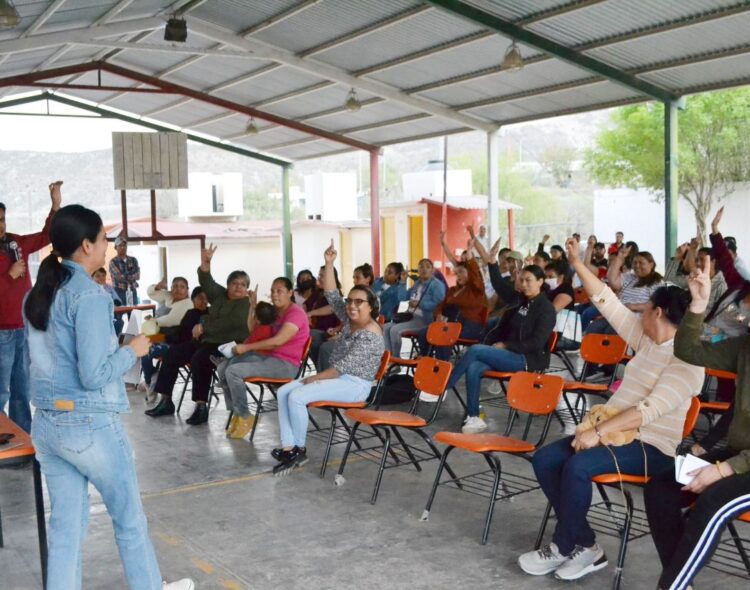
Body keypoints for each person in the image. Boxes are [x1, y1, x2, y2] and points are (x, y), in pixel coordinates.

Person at [24, 204, 192, 590]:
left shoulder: (41, 293)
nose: (106, 247)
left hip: (48, 424)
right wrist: (132, 350)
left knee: (65, 530)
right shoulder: (90, 295)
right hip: (88, 424)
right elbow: (94, 373)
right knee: (130, 522)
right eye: (102, 240)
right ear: (85, 245)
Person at [518, 238, 704, 583]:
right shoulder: (648, 339)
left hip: (650, 447)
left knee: (577, 466)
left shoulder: (688, 361)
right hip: (614, 433)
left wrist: (597, 433)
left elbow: (649, 410)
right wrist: (576, 262)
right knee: (546, 459)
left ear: (658, 313)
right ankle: (587, 545)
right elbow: (607, 301)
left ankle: (563, 545)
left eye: (645, 308)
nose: (639, 313)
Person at [642, 256, 750, 590]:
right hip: (738, 454)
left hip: (741, 463)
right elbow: (689, 350)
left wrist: (722, 470)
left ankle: (671, 585)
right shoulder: (746, 345)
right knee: (661, 488)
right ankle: (680, 581)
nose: (743, 310)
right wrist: (699, 304)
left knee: (713, 502)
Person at [271, 240, 385, 475]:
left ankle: (299, 450)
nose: (352, 306)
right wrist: (329, 263)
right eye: (350, 301)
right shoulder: (351, 319)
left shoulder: (371, 335)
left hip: (355, 386)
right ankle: (288, 447)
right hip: (339, 380)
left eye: (359, 302)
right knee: (283, 392)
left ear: (371, 307)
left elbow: (343, 367)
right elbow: (333, 295)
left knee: (297, 396)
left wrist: (316, 378)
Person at [453, 237, 556, 434]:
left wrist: (506, 346)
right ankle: (473, 417)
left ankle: (445, 386)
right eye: (522, 280)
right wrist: (492, 263)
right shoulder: (521, 301)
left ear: (541, 282)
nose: (524, 284)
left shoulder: (545, 309)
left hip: (527, 360)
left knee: (475, 349)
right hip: (511, 355)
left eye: (529, 281)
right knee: (474, 367)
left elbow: (535, 343)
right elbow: (499, 284)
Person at [146, 244, 250, 425]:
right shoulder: (221, 295)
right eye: (234, 283)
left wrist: (203, 326)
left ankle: (201, 406)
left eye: (243, 284)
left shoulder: (245, 304)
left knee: (200, 359)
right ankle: (166, 400)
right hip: (207, 340)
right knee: (172, 353)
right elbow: (207, 282)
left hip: (229, 345)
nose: (238, 287)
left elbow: (230, 323)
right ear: (228, 286)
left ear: (247, 288)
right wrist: (205, 265)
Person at [0, 180, 61, 433]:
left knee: (21, 386)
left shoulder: (16, 244)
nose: (1, 225)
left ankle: (22, 433)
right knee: (1, 388)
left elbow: (45, 236)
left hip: (22, 328)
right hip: (1, 331)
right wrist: (7, 276)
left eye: (2, 219)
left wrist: (55, 205)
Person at [220, 276, 310, 439]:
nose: (275, 294)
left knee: (233, 371)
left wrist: (246, 347)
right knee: (223, 368)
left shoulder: (295, 314)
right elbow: (252, 329)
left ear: (290, 293)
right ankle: (237, 412)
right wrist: (252, 306)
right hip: (268, 358)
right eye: (272, 290)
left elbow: (278, 341)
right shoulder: (276, 311)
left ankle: (245, 416)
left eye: (279, 291)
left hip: (285, 365)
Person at [418, 227, 487, 360]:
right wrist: (438, 314)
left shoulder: (476, 288)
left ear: (469, 275)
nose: (458, 274)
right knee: (423, 333)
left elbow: (474, 271)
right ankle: (426, 360)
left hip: (471, 326)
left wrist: (471, 251)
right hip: (449, 324)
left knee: (444, 336)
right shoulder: (453, 290)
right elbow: (440, 305)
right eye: (457, 272)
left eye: (462, 272)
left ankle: (441, 367)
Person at [140, 286, 207, 399]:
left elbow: (174, 326)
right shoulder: (170, 302)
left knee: (167, 354)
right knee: (145, 347)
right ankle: (151, 379)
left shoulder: (191, 309)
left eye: (181, 287)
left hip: (185, 345)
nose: (178, 290)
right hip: (171, 338)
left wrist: (155, 324)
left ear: (187, 292)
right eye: (175, 286)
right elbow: (179, 331)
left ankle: (159, 391)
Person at [583, 246, 664, 334]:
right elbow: (612, 280)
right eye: (635, 263)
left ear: (651, 264)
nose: (637, 266)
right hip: (616, 316)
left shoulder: (657, 282)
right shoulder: (630, 276)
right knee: (592, 329)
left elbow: (657, 305)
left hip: (635, 321)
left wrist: (633, 306)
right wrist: (619, 257)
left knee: (609, 332)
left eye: (641, 263)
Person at [382, 258, 446, 359]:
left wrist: (420, 304)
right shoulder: (417, 283)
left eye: (427, 267)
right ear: (418, 270)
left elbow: (440, 305)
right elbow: (402, 298)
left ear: (432, 270)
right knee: (385, 328)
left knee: (394, 330)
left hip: (426, 321)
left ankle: (396, 360)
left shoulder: (437, 285)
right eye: (421, 267)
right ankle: (388, 359)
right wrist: (403, 282)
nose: (424, 269)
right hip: (411, 317)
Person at [109, 235, 140, 306]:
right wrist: (131, 276)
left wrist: (123, 275)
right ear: (115, 248)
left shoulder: (133, 260)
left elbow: (137, 276)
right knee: (118, 314)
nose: (123, 247)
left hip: (132, 290)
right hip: (119, 291)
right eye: (120, 246)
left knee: (134, 313)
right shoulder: (113, 262)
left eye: (124, 245)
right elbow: (118, 277)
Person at [92, 266, 124, 335]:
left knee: (119, 322)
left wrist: (115, 302)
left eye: (103, 276)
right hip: (97, 316)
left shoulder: (109, 287)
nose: (101, 278)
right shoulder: (91, 289)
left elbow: (118, 300)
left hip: (110, 314)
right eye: (98, 276)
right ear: (92, 277)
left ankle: (115, 342)